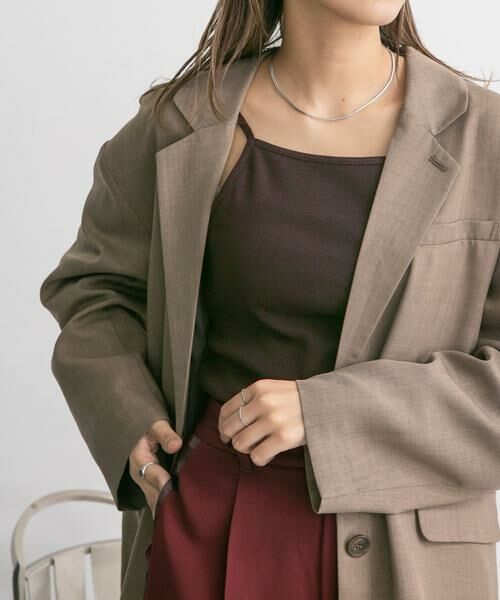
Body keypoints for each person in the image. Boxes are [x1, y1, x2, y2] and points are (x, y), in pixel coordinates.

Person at [39, 1, 500, 599]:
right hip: (208, 519)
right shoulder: (181, 122)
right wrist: (127, 416)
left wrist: (325, 414)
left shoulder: (486, 139)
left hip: (408, 557)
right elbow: (94, 291)